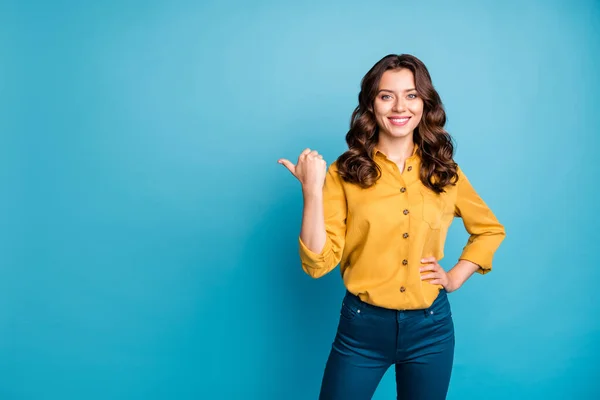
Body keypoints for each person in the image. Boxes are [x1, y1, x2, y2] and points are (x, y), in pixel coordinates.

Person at [277, 54, 506, 400]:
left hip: (432, 329)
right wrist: (312, 190)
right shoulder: (344, 172)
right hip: (362, 329)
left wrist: (455, 276)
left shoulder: (444, 171)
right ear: (372, 104)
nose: (400, 107)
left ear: (425, 103)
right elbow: (317, 263)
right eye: (387, 96)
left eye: (411, 95)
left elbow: (489, 229)